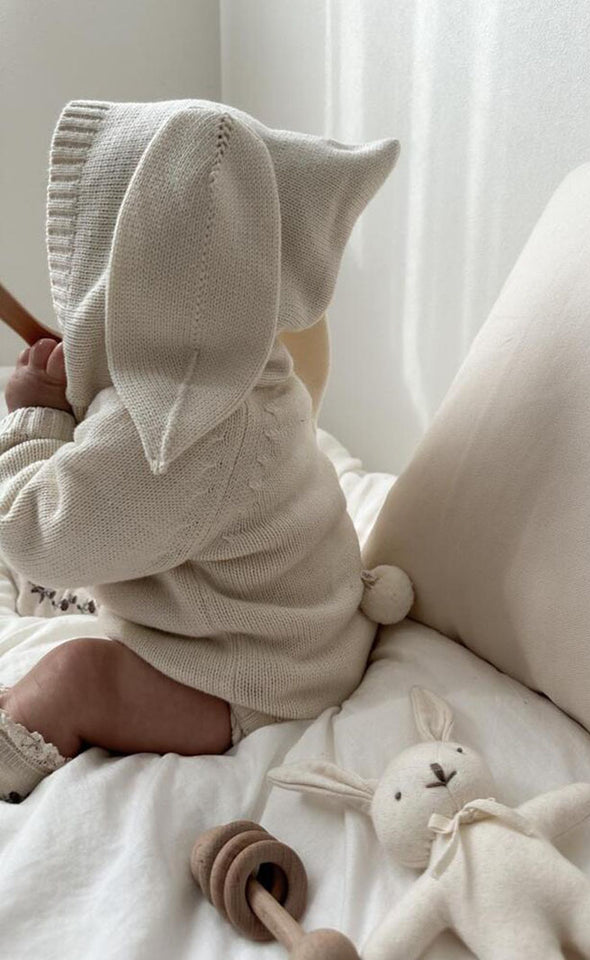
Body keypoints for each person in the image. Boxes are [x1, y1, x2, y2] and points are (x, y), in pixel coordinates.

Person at [0, 98, 403, 802]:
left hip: (252, 678)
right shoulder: (245, 371)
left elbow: (35, 537)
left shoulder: (170, 434)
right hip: (304, 635)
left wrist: (35, 418)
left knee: (76, 677)